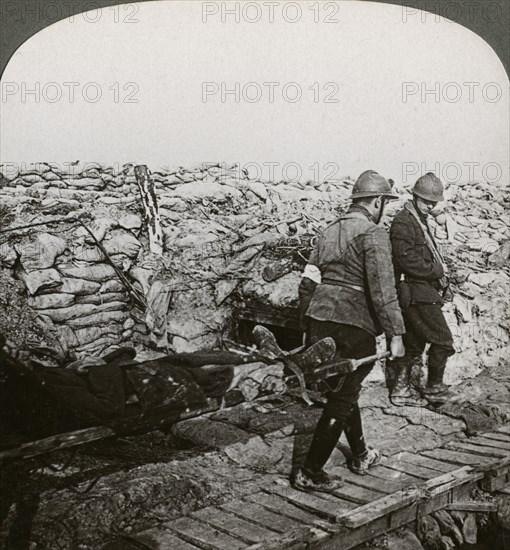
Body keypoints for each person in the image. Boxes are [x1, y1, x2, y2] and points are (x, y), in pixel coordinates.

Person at [293, 170, 406, 494]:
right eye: (384, 203)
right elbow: (383, 290)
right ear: (376, 202)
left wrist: (308, 323)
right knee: (344, 394)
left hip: (320, 320)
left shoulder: (328, 231)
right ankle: (310, 471)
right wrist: (395, 334)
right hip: (352, 325)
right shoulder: (373, 234)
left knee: (342, 389)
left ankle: (360, 454)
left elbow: (307, 282)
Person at [389, 173, 456, 406]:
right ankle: (434, 388)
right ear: (415, 196)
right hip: (416, 292)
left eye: (434, 202)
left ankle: (400, 391)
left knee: (413, 345)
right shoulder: (404, 221)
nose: (431, 206)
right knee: (443, 340)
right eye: (427, 201)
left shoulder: (418, 219)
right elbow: (406, 258)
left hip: (421, 291)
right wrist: (436, 271)